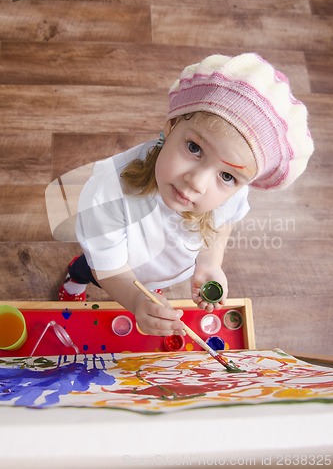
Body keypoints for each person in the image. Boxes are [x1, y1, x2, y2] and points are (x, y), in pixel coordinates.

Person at [55, 53, 314, 337]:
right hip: (114, 265)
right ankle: (73, 280)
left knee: (147, 280)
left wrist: (209, 262)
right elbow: (110, 267)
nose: (197, 182)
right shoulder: (107, 194)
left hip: (161, 267)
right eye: (194, 148)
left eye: (227, 176)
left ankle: (148, 284)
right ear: (172, 125)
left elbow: (223, 223)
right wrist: (136, 301)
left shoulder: (231, 195)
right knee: (90, 270)